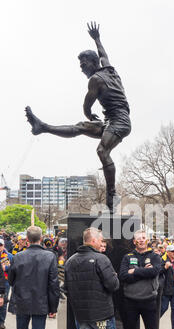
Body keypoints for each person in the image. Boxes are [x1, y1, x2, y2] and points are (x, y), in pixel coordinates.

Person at [25, 22, 131, 212]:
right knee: (81, 127)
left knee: (102, 151)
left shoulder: (95, 80)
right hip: (111, 121)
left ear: (92, 63)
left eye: (83, 64)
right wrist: (97, 38)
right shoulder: (109, 69)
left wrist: (89, 114)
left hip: (120, 122)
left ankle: (112, 194)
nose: (81, 68)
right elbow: (104, 55)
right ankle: (43, 127)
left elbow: (86, 105)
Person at [8, 226, 60, 329]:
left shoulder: (18, 256)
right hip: (41, 302)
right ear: (40, 238)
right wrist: (53, 307)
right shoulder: (49, 256)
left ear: (27, 240)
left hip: (22, 301)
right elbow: (54, 284)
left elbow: (11, 280)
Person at [119, 230, 164, 329]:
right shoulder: (127, 257)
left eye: (143, 238)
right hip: (130, 301)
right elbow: (123, 276)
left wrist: (135, 271)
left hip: (149, 301)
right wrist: (143, 272)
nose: (141, 240)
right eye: (138, 239)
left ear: (148, 240)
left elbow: (155, 271)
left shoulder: (155, 256)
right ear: (134, 241)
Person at [0, 238, 13, 329]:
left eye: (0, 245)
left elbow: (14, 268)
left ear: (3, 246)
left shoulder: (9, 256)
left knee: (3, 302)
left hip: (5, 282)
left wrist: (7, 268)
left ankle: (1, 321)